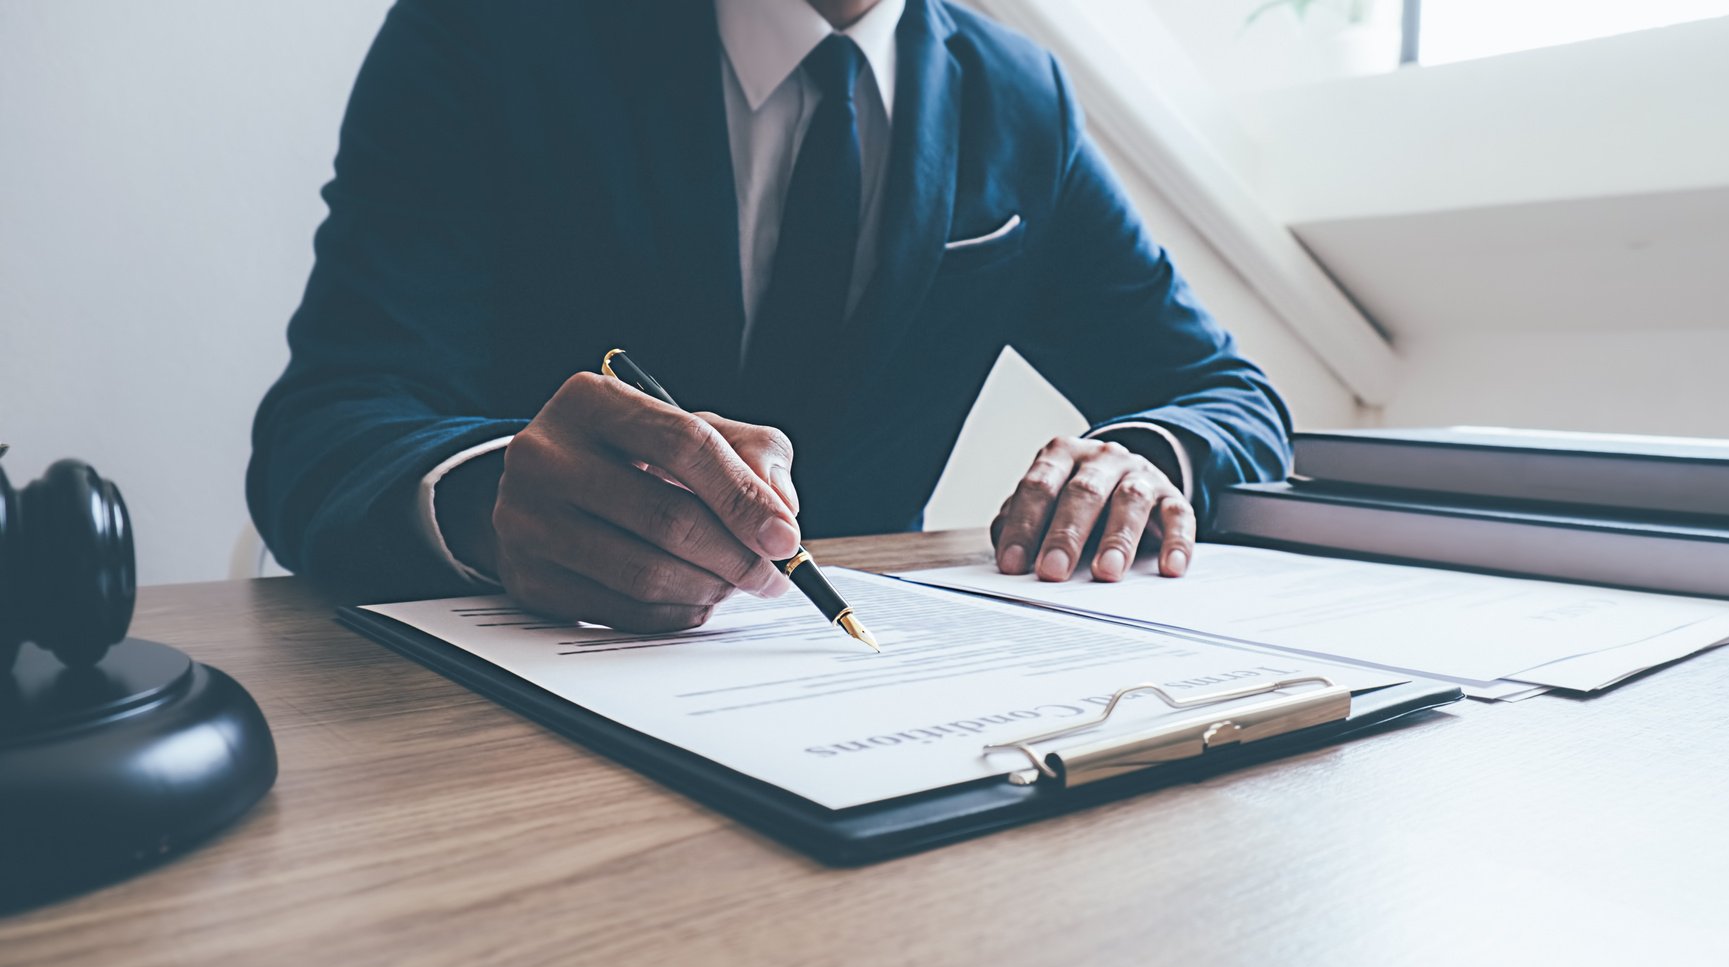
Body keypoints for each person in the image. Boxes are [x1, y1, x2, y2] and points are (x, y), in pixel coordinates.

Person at [248, 0, 1293, 631]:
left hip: (873, 731)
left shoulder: (1023, 99)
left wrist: (1147, 452)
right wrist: (491, 504)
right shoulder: (488, 32)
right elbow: (320, 433)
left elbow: (1226, 394)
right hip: (508, 737)